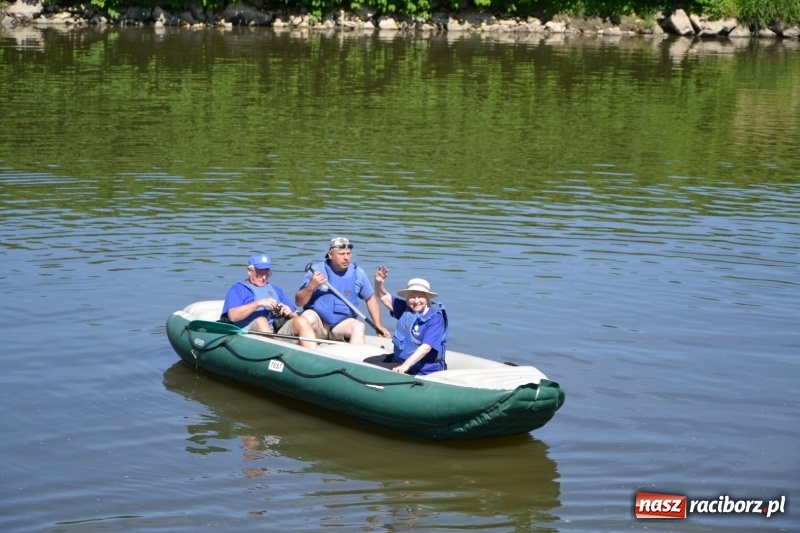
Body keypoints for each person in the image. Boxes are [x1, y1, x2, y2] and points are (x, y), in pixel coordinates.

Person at [295, 237, 390, 344]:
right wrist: (311, 286)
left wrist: (378, 324)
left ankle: (354, 358)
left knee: (359, 326)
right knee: (306, 319)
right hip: (319, 322)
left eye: (348, 253)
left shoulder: (358, 273)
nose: (346, 258)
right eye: (341, 254)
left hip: (343, 324)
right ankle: (311, 352)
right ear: (330, 255)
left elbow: (370, 299)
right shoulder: (316, 272)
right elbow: (299, 302)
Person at [221, 253, 318, 350]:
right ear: (249, 271)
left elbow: (295, 314)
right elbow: (233, 316)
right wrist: (258, 303)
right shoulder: (237, 290)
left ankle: (315, 356)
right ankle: (274, 352)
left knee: (301, 320)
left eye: (267, 273)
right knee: (261, 321)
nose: (263, 277)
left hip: (275, 332)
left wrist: (289, 313)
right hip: (248, 332)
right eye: (260, 273)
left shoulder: (276, 290)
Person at [372, 266, 448, 375]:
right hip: (399, 360)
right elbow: (383, 296)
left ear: (427, 298)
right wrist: (378, 282)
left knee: (375, 369)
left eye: (420, 297)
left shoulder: (435, 319)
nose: (416, 301)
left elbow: (426, 348)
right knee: (367, 362)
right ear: (407, 299)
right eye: (412, 297)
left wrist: (406, 365)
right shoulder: (406, 309)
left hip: (420, 368)